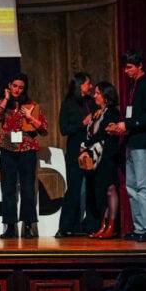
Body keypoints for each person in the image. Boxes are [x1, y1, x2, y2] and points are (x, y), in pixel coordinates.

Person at [106, 50, 146, 241]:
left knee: (145, 186)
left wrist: (128, 125)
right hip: (132, 142)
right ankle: (140, 228)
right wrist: (120, 127)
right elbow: (133, 116)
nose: (126, 71)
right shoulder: (135, 87)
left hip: (145, 143)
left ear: (140, 66)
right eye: (125, 67)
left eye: (130, 67)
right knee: (132, 186)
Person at [0, 73, 48, 238]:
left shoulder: (32, 105)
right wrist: (5, 98)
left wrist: (30, 118)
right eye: (14, 86)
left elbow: (43, 129)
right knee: (8, 189)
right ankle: (10, 227)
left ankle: (28, 226)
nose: (17, 89)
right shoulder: (5, 104)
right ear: (10, 86)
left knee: (27, 189)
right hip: (8, 151)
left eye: (21, 87)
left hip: (27, 151)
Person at [82, 81, 121, 239]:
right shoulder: (98, 113)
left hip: (107, 155)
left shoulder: (112, 112)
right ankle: (103, 225)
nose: (95, 95)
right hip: (96, 157)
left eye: (98, 93)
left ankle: (112, 225)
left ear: (106, 96)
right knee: (102, 192)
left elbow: (107, 134)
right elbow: (91, 134)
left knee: (110, 189)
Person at [56, 72, 93, 237]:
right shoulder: (68, 104)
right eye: (88, 84)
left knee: (90, 187)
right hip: (74, 151)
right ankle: (65, 227)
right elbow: (64, 129)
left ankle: (85, 225)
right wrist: (82, 123)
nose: (90, 87)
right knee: (74, 187)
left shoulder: (91, 102)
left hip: (90, 150)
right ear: (80, 85)